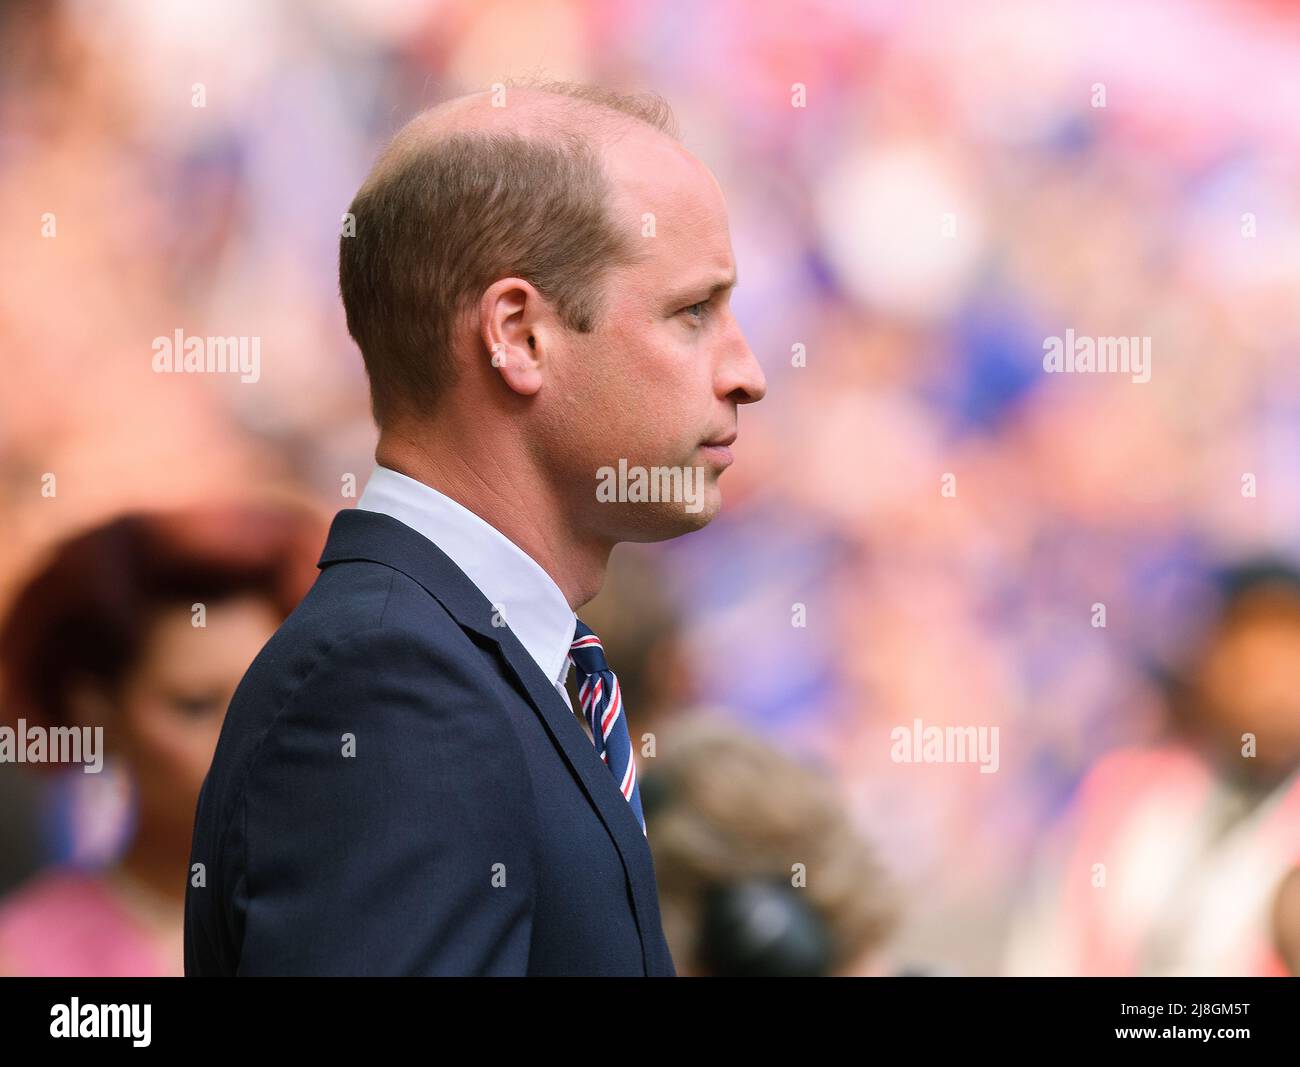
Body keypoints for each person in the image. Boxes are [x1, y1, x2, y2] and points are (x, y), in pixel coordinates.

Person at [185, 78, 767, 976]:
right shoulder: (390, 684)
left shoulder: (462, 662)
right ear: (519, 335)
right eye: (693, 311)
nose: (747, 372)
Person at [0, 502, 324, 976]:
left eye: (277, 702)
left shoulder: (386, 913)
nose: (250, 741)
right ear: (97, 715)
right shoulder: (27, 960)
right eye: (195, 706)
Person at [1002, 559, 1300, 976]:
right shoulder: (1123, 792)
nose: (1274, 694)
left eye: (1289, 668)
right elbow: (1051, 940)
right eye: (1255, 665)